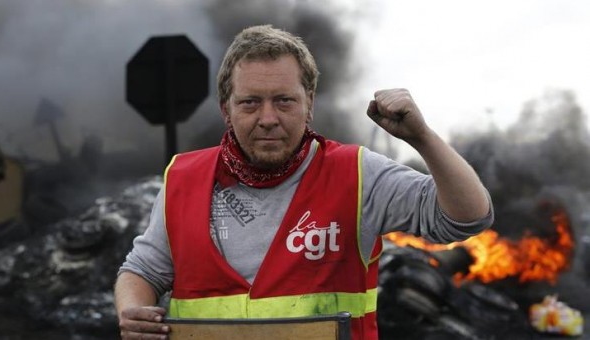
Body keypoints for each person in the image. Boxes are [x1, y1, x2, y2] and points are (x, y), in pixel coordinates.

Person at [114, 24, 493, 340]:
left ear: (309, 103)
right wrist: (131, 309)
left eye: (284, 101)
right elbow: (143, 270)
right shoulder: (183, 178)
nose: (268, 118)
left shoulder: (357, 173)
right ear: (225, 108)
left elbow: (467, 218)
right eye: (250, 102)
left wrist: (422, 137)